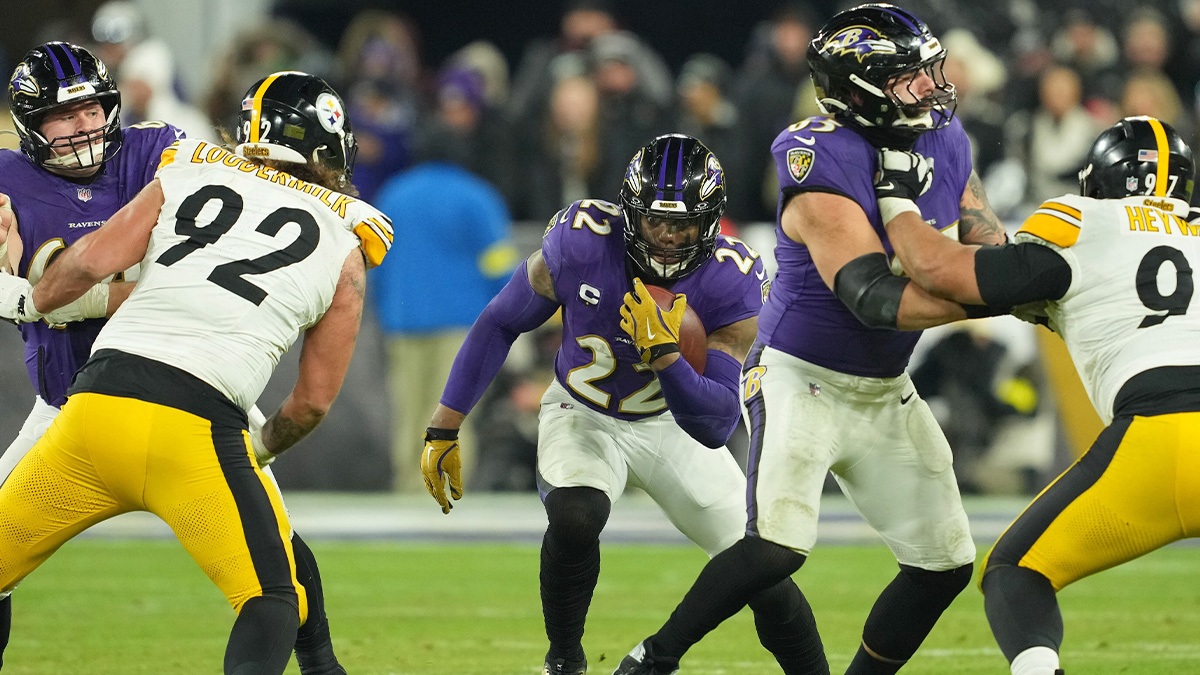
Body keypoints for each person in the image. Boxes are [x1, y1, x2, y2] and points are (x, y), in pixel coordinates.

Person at [612, 5, 1010, 674]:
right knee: (776, 546)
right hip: (804, 376)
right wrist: (997, 294)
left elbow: (986, 239)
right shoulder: (817, 151)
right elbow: (874, 297)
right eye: (913, 77)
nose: (934, 87)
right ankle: (651, 658)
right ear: (861, 91)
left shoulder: (945, 139)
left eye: (929, 71)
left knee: (944, 565)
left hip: (885, 387)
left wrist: (1024, 268)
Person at [0, 68, 391, 674]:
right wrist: (258, 449)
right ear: (327, 148)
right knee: (271, 599)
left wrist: (24, 292)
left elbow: (84, 267)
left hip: (90, 414)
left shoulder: (183, 175)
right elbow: (311, 403)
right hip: (199, 431)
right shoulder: (346, 242)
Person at [420, 134, 828, 675]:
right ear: (630, 212)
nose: (666, 236)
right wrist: (444, 427)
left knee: (763, 574)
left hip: (671, 423)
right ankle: (564, 661)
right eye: (655, 220)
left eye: (683, 224)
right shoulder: (582, 241)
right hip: (581, 409)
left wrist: (665, 358)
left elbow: (715, 424)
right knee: (575, 514)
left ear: (709, 224)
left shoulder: (731, 279)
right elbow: (501, 320)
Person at [876, 115, 1200, 675]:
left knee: (1015, 571)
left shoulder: (1080, 220)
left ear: (1097, 180)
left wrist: (896, 199)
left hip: (1159, 436)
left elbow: (943, 271)